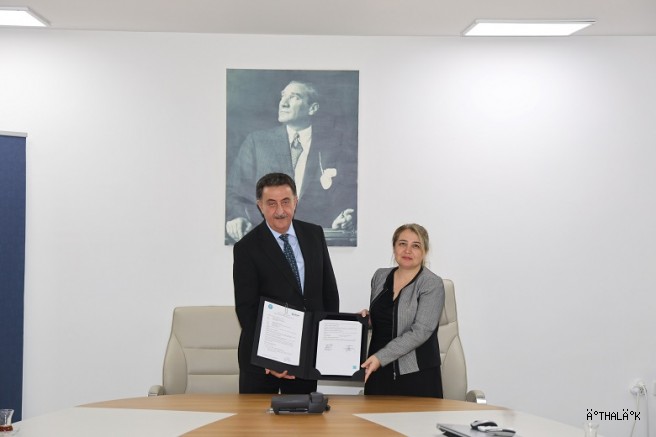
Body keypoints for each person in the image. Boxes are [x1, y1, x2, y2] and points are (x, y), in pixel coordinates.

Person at [233, 172, 340, 394]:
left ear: (295, 202)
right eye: (271, 203)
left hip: (305, 355)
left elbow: (329, 293)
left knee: (303, 415)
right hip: (262, 363)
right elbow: (246, 310)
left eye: (285, 201)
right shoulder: (246, 248)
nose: (280, 210)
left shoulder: (314, 234)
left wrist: (325, 341)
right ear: (260, 206)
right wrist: (269, 359)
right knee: (257, 417)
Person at [226, 80, 357, 243]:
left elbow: (344, 192)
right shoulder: (257, 142)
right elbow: (234, 191)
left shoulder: (334, 145)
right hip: (265, 240)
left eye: (294, 97)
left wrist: (342, 216)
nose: (283, 103)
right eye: (283, 96)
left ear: (312, 108)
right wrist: (238, 217)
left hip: (314, 241)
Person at [359, 224, 445, 398]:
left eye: (416, 245)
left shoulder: (431, 284)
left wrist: (380, 358)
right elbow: (387, 318)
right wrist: (367, 320)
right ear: (394, 248)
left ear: (425, 252)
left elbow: (421, 331)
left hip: (415, 375)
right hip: (377, 371)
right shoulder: (380, 276)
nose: (408, 250)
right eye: (402, 243)